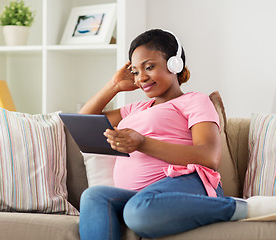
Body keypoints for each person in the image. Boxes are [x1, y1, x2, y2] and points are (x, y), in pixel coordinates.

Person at [78, 29, 247, 240]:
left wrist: (142, 143)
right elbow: (84, 121)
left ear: (174, 64)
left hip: (186, 183)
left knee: (137, 212)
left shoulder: (195, 101)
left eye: (149, 67)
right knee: (94, 196)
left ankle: (235, 208)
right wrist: (114, 86)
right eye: (136, 71)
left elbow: (209, 157)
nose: (141, 78)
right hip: (139, 198)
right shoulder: (136, 108)